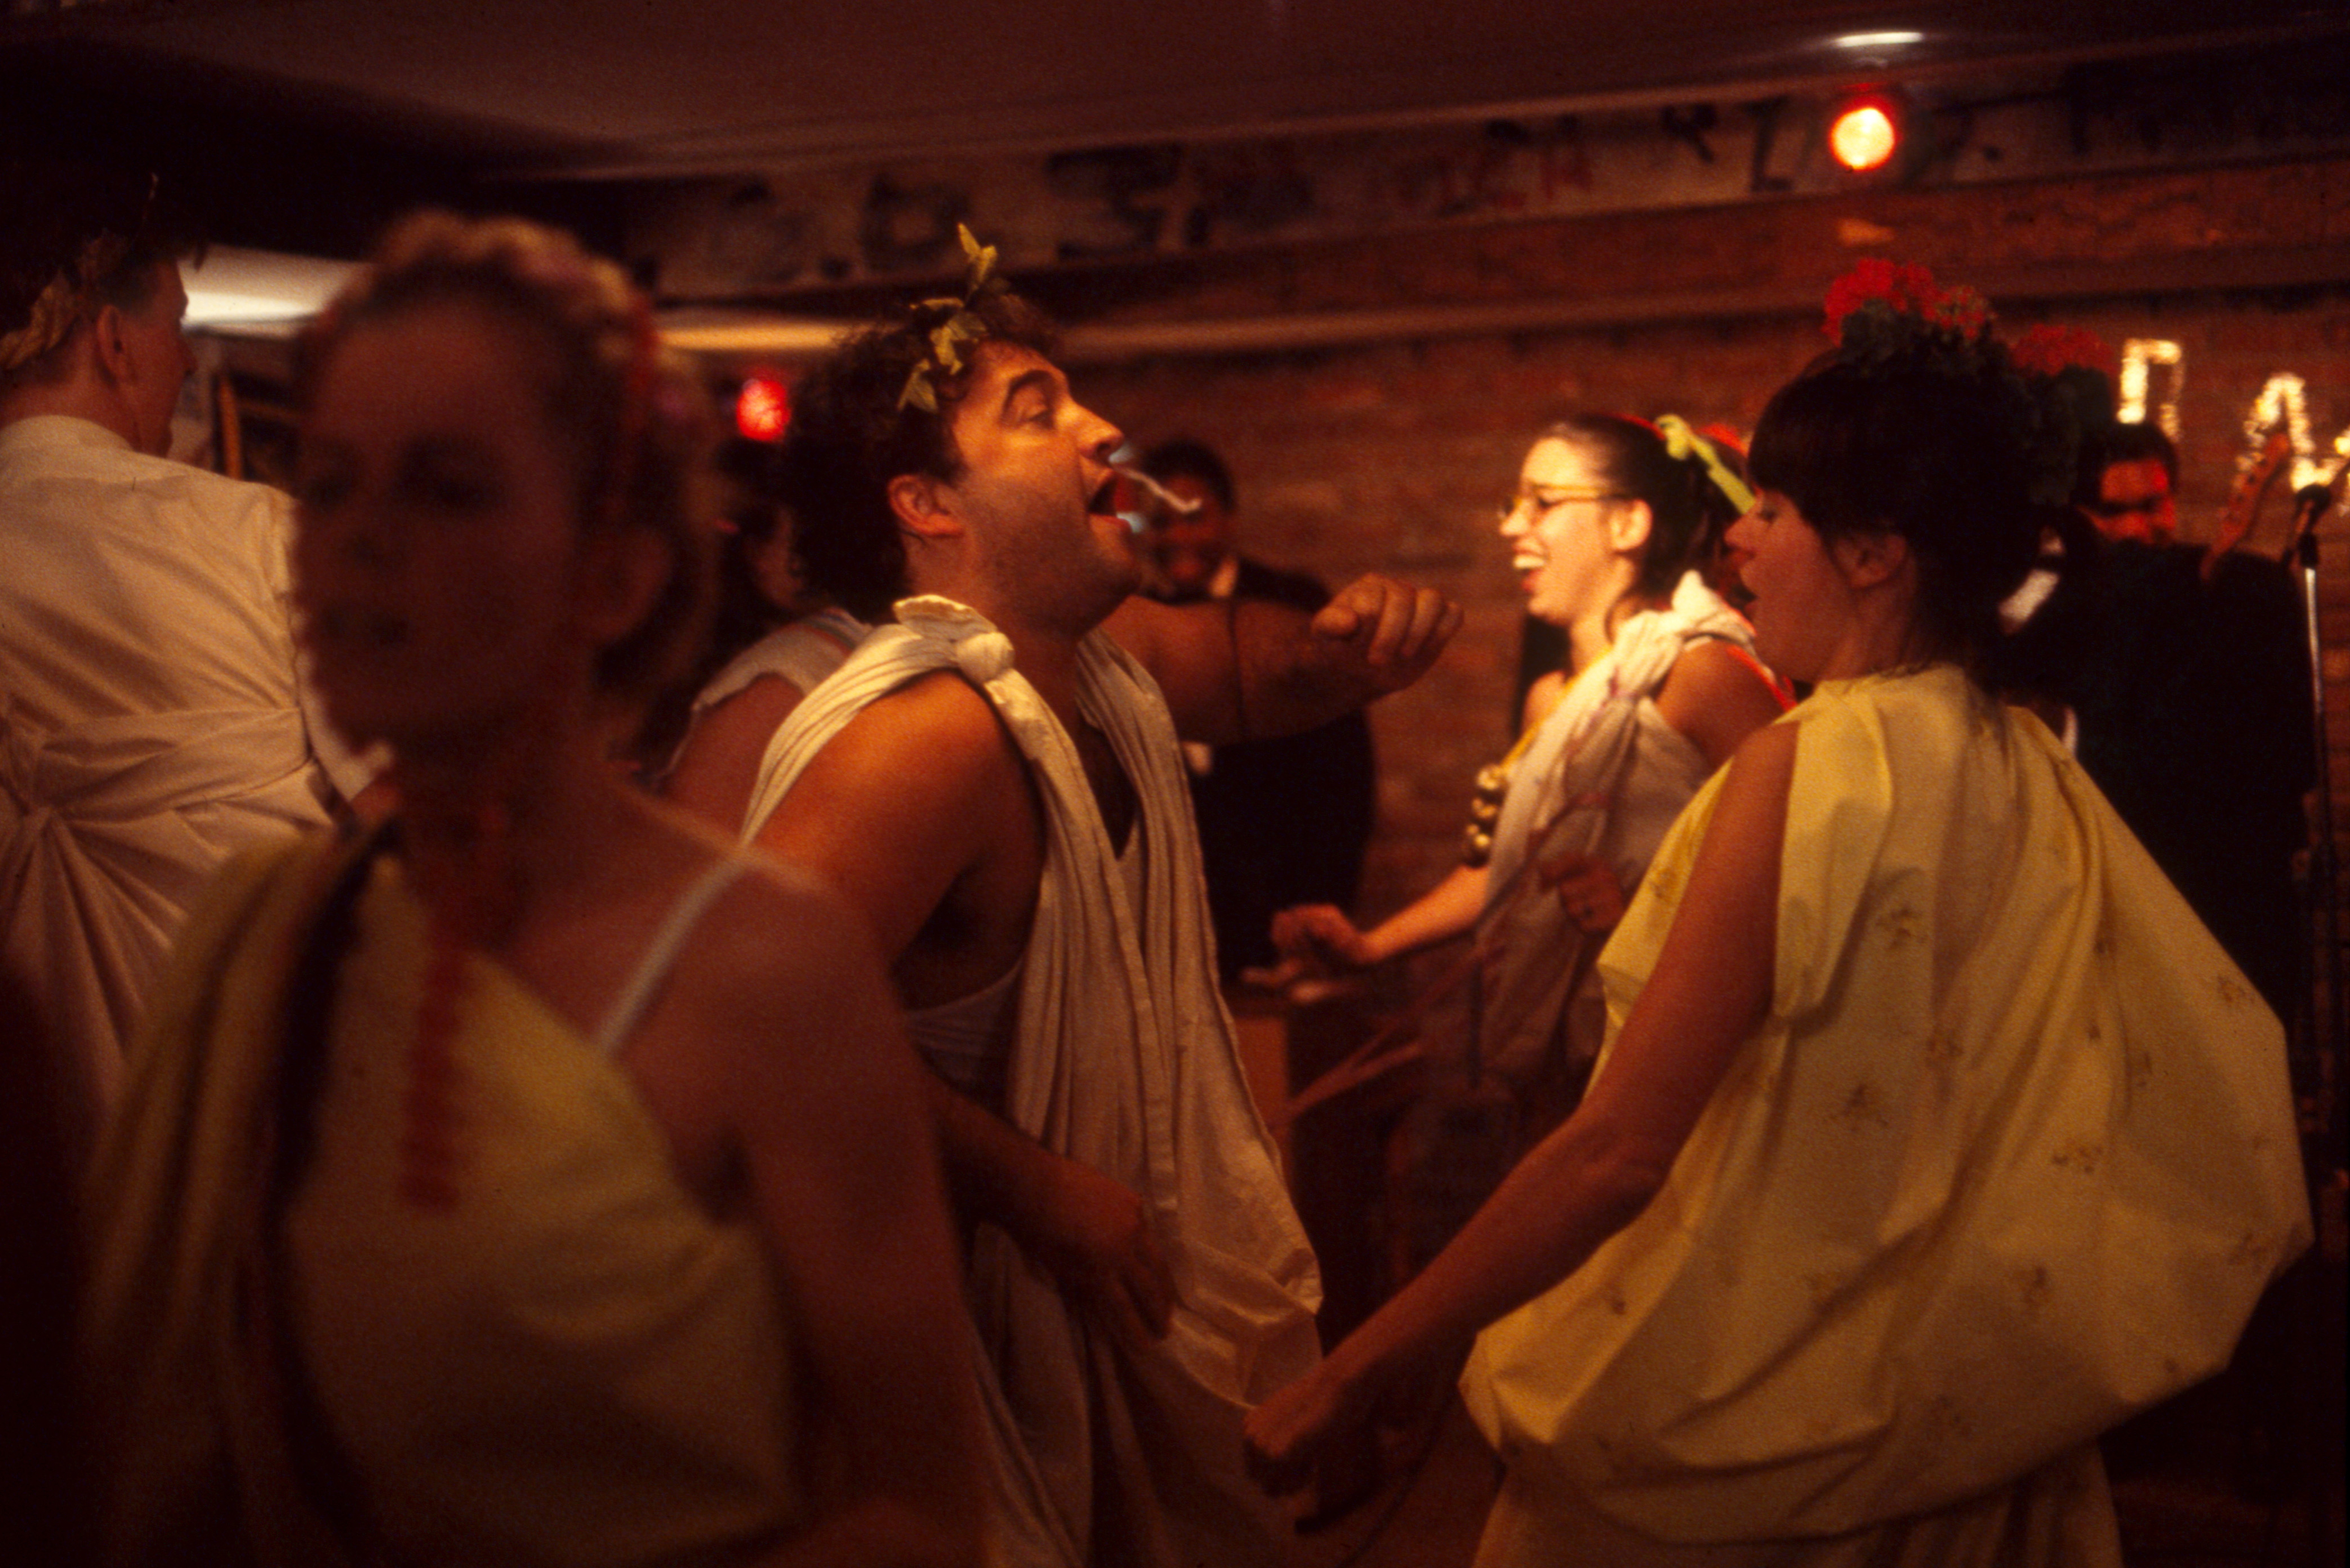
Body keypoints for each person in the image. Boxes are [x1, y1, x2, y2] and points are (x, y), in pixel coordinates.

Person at [1243, 266, 2312, 1566]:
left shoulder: (1807, 759)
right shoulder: (2020, 757)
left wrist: (1353, 1365)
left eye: (1776, 509)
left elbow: (1618, 1151)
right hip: (1961, 1419)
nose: (1739, 541)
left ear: (1874, 550)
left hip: (1773, 1417)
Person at [83, 213, 983, 1568]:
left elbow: (921, 1507)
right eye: (335, 493)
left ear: (612, 577)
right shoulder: (266, 928)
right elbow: (152, 1453)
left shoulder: (764, 963)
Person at [733, 231, 1458, 1568]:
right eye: (1039, 410)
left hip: (1047, 1327)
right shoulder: (931, 734)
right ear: (927, 505)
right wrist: (1033, 1187)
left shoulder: (1096, 663)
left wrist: (1357, 644)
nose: (1102, 428)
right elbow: (739, 1013)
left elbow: (1256, 675)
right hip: (922, 1353)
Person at [1, 159, 376, 1166]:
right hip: (246, 1158)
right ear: (115, 343)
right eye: (176, 325)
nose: (185, 360)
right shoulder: (268, 541)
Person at [1274, 413, 1788, 1138]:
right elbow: (1514, 871)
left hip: (1679, 1069)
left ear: (1628, 524)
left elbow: (1796, 865)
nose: (1513, 525)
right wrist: (1370, 945)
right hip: (1559, 1078)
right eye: (1513, 504)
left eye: (1543, 502)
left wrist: (1639, 915)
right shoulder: (1552, 697)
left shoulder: (1699, 673)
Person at [1135, 438, 1377, 983]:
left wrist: (1320, 916)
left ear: (1230, 519)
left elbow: (1341, 777)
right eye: (1160, 522)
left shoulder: (1289, 602)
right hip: (1180, 927)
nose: (1177, 536)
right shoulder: (1138, 623)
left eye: (1193, 517)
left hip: (1283, 907)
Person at [657, 435, 865, 828]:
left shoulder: (784, 671)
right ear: (756, 553)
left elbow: (693, 838)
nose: (825, 554)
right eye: (803, 540)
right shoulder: (719, 651)